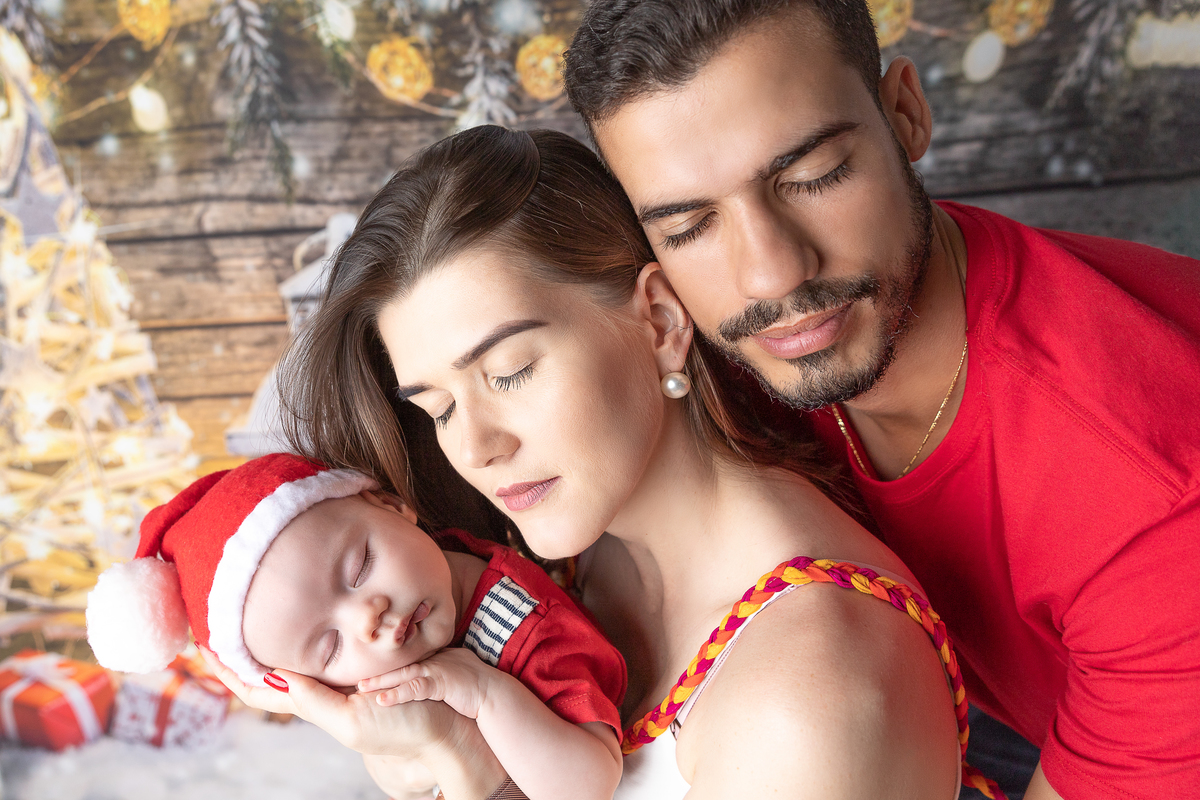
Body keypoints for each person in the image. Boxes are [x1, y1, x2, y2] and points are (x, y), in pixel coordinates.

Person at [561, 2, 1200, 799]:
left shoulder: (1153, 501)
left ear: (906, 115)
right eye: (689, 226)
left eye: (813, 177)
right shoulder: (708, 345)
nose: (772, 275)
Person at [273, 124, 984, 799]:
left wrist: (455, 758)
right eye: (440, 409)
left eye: (510, 372)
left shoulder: (806, 697)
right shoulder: (574, 558)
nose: (476, 449)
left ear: (660, 321)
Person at [85, 452, 625, 800]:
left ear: (389, 503)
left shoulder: (525, 627)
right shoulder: (403, 646)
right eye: (329, 647)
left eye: (360, 567)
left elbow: (589, 784)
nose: (368, 617)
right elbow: (397, 777)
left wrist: (484, 693)